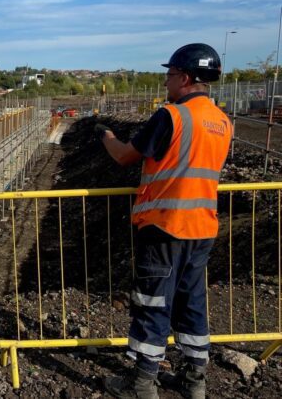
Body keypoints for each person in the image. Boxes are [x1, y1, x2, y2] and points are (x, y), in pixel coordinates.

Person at [95, 44, 232, 399]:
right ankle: (193, 380)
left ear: (185, 78)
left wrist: (107, 138)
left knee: (153, 303)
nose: (167, 81)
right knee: (191, 301)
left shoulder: (172, 116)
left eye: (169, 75)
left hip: (165, 226)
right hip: (202, 227)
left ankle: (141, 384)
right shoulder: (222, 122)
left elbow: (126, 156)